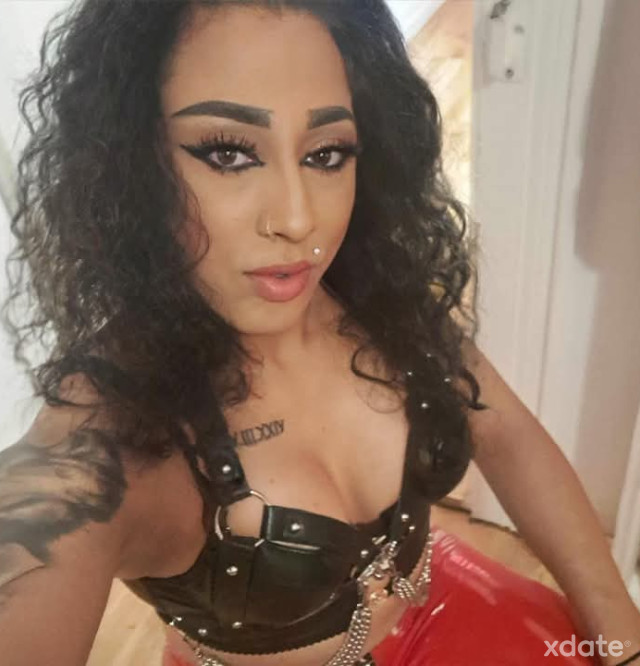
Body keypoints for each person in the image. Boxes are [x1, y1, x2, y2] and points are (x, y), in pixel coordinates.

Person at [0, 1, 639, 665]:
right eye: (228, 152)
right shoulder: (99, 444)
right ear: (127, 163)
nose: (299, 219)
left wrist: (623, 643)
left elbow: (505, 432)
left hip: (442, 604)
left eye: (326, 154)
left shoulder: (374, 296)